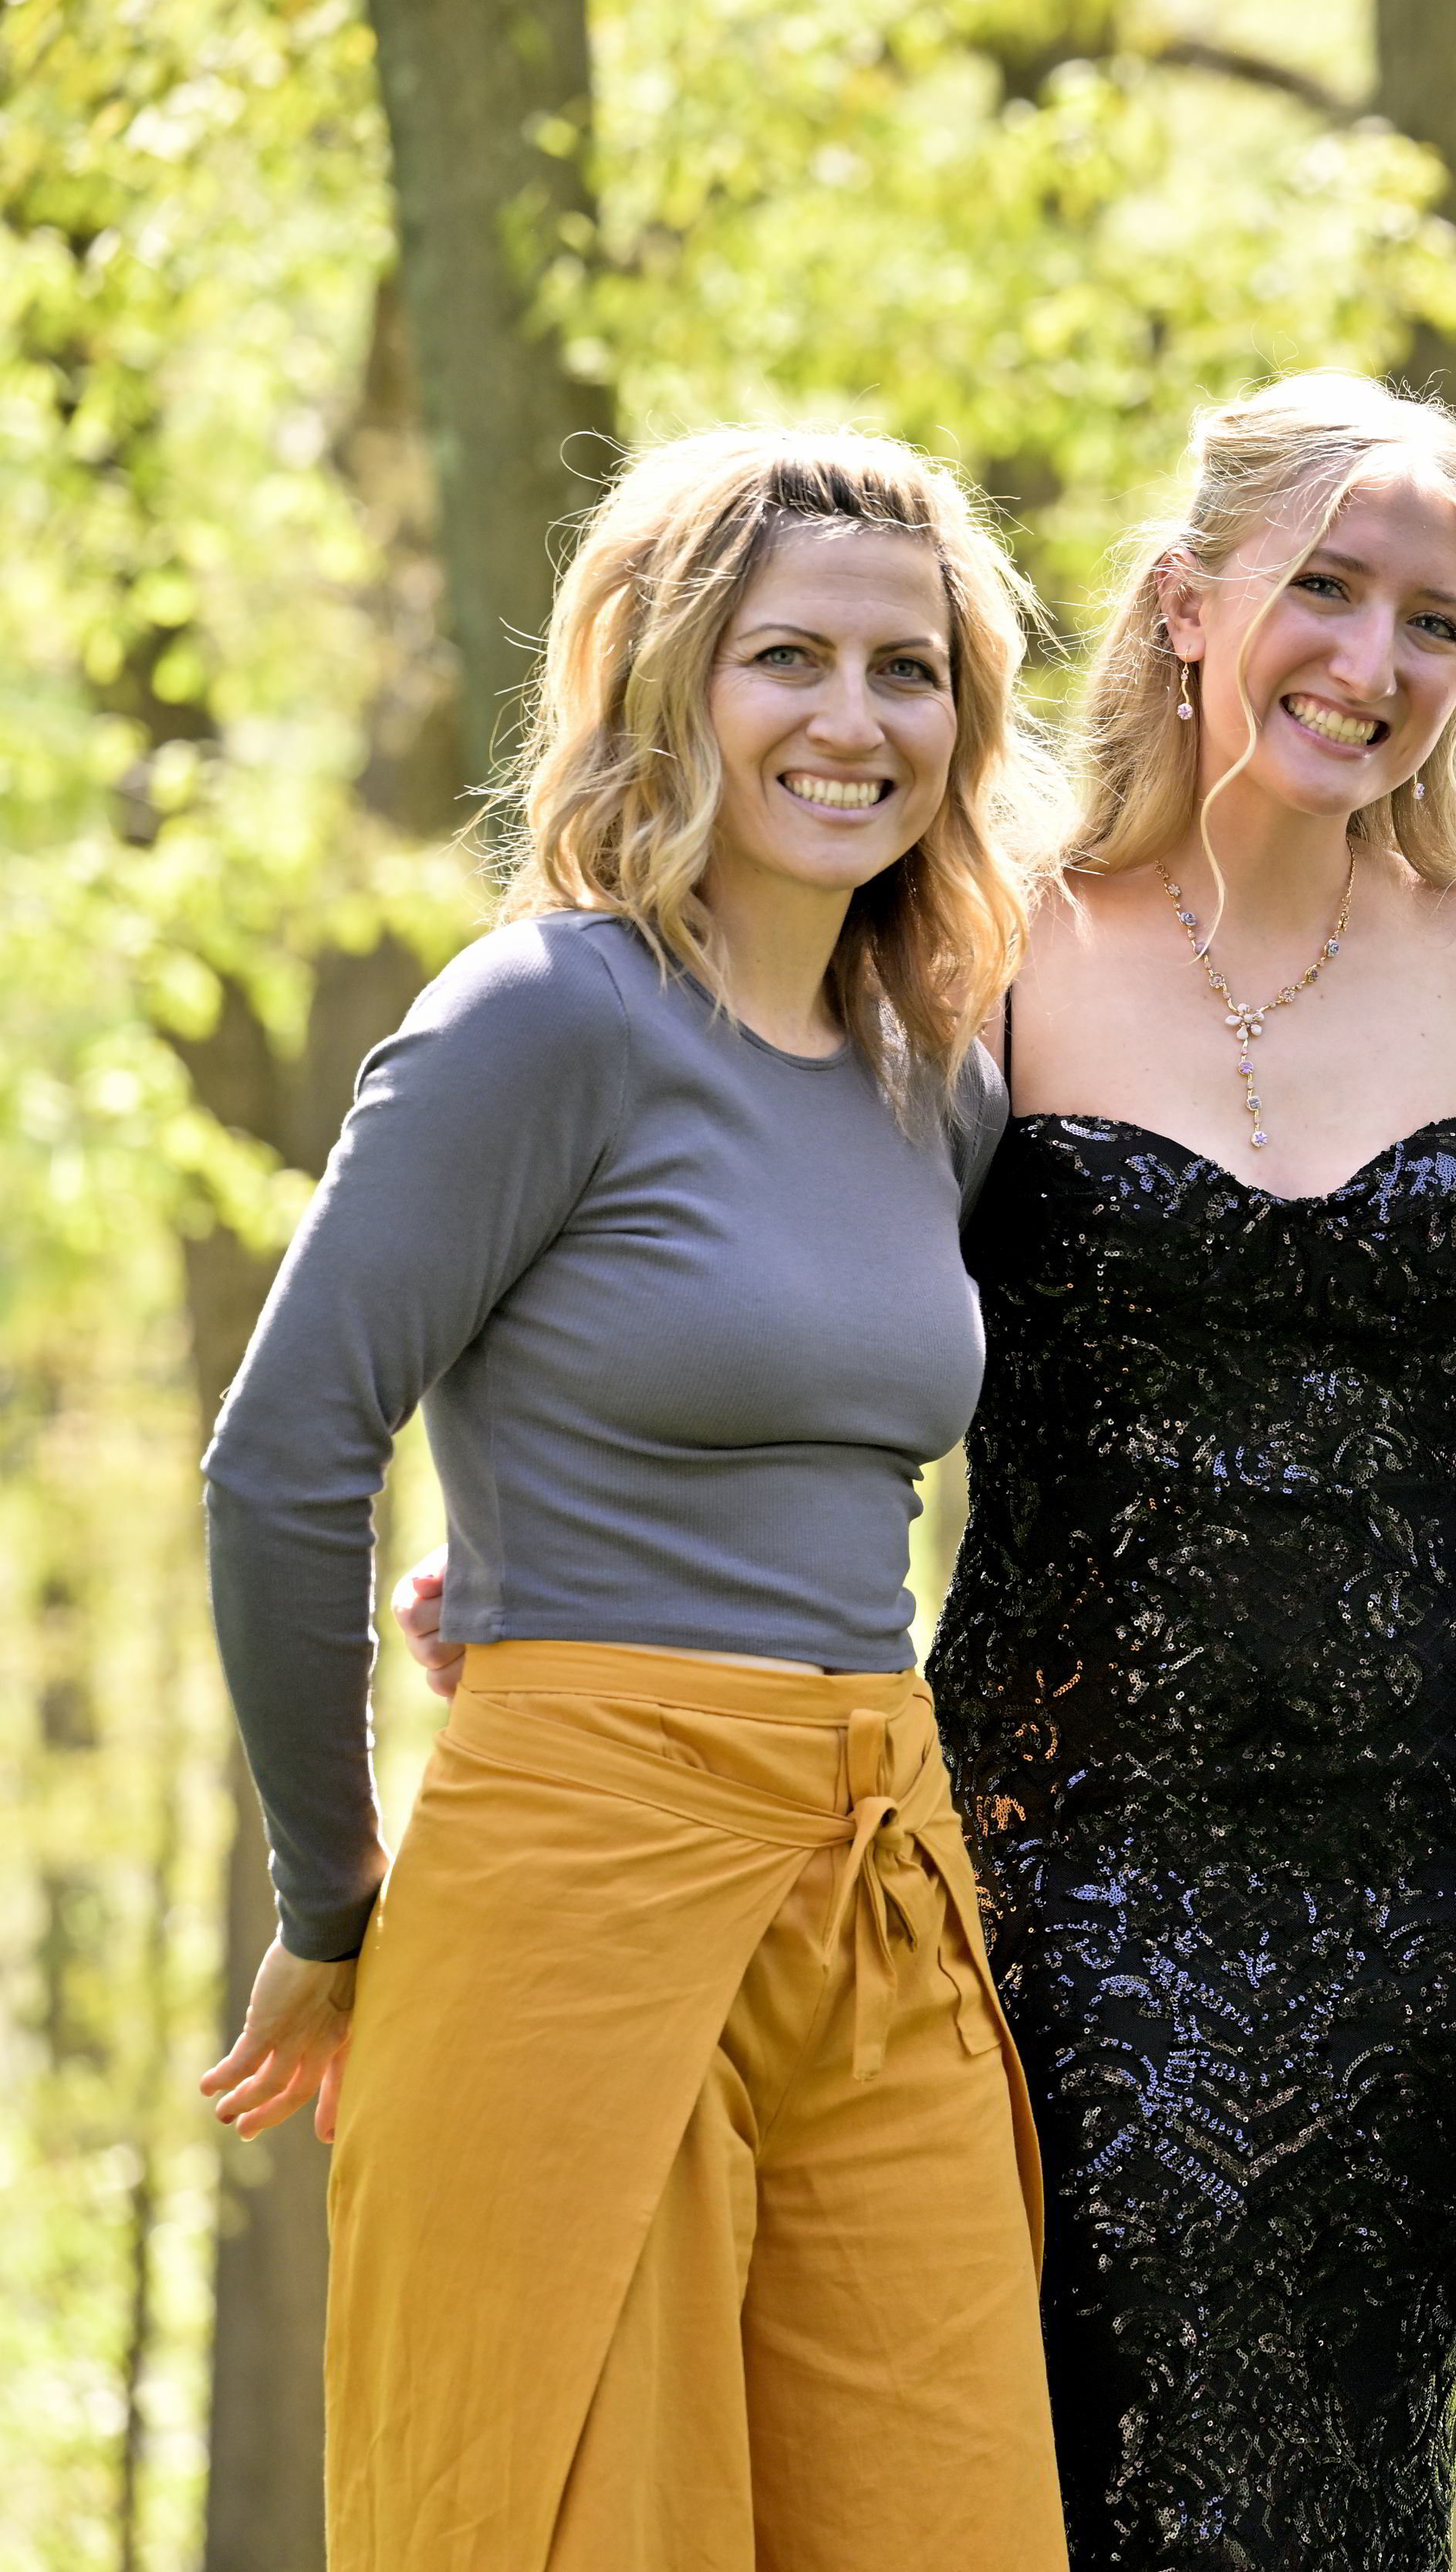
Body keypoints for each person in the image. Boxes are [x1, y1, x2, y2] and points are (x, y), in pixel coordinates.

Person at [196, 428, 1064, 2572]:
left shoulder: (935, 1077)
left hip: (878, 1881)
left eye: (910, 668)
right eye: (790, 657)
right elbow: (287, 1450)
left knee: (944, 2516)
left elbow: (778, 1408)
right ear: (670, 679)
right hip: (574, 1886)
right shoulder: (542, 1017)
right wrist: (331, 1889)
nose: (855, 719)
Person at [925, 373, 1456, 2570]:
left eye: (1436, 620)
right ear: (1190, 602)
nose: (1375, 659)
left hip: (1432, 1881)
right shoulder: (984, 942)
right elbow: (796, 1300)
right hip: (1067, 1861)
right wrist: (559, 1558)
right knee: (1102, 2483)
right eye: (1328, 587)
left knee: (1356, 2492)